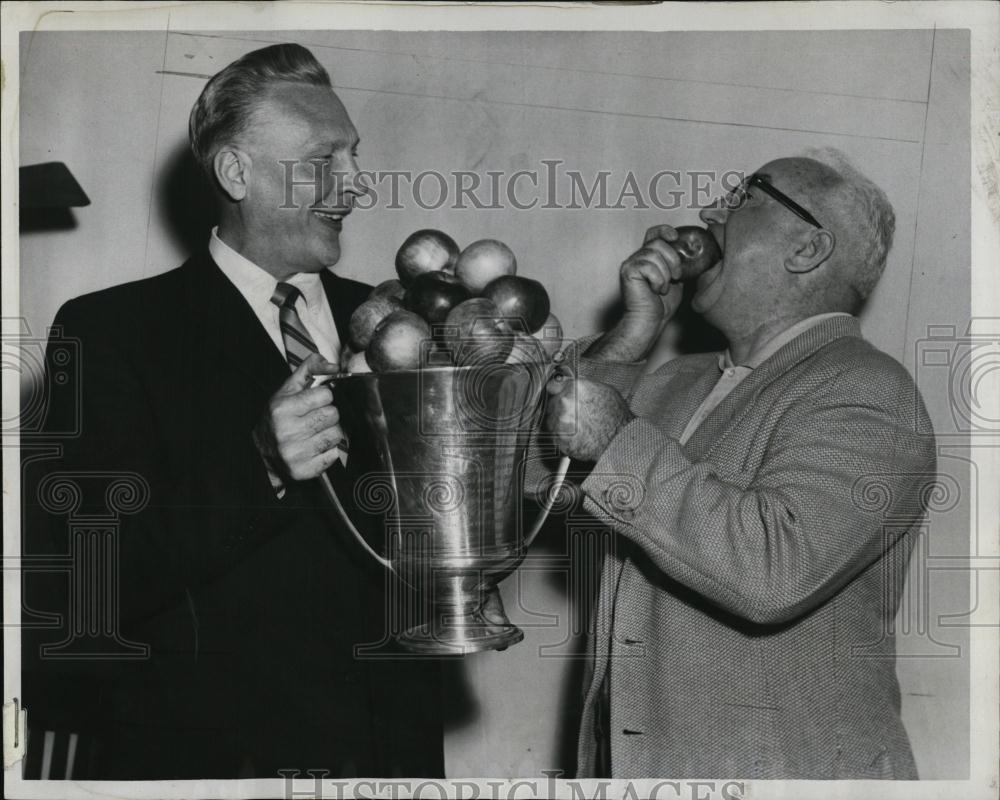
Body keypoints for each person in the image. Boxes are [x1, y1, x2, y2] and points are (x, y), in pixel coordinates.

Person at [23, 43, 443, 779]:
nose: (357, 184)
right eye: (325, 161)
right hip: (208, 763)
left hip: (386, 752)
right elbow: (90, 585)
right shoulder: (110, 332)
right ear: (236, 172)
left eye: (355, 158)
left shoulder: (394, 325)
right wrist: (260, 467)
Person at [542, 153, 937, 779]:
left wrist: (617, 438)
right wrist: (634, 337)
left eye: (745, 195)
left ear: (809, 248)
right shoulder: (673, 381)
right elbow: (535, 490)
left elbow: (773, 570)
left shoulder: (868, 389)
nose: (708, 211)